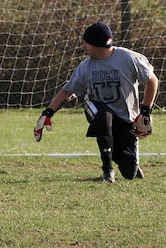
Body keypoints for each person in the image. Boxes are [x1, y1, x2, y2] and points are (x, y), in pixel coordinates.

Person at [34, 21, 158, 182]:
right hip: (96, 108)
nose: (84, 46)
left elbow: (152, 80)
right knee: (103, 116)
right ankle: (107, 172)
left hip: (125, 118)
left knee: (130, 173)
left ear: (98, 44)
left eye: (87, 43)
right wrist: (48, 113)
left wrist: (145, 111)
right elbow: (67, 90)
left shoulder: (129, 58)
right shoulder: (86, 66)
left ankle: (129, 162)